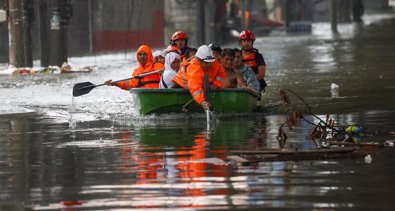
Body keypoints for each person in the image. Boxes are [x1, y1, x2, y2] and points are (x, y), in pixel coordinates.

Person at [173, 45, 225, 110]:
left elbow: (221, 75)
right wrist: (202, 102)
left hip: (200, 85)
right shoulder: (194, 68)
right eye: (206, 63)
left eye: (210, 62)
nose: (208, 65)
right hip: (180, 85)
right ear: (198, 60)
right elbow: (195, 89)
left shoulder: (214, 62)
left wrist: (215, 84)